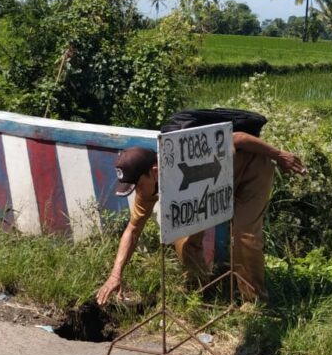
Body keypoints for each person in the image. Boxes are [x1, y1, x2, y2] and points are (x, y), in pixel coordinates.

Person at [96, 109, 306, 306]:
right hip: (213, 185)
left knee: (243, 235)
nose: (138, 191)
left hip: (250, 170)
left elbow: (238, 138)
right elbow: (132, 230)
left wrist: (279, 154)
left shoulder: (185, 155)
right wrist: (115, 275)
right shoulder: (147, 187)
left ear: (153, 171)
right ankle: (202, 289)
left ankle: (254, 301)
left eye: (138, 184)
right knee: (184, 239)